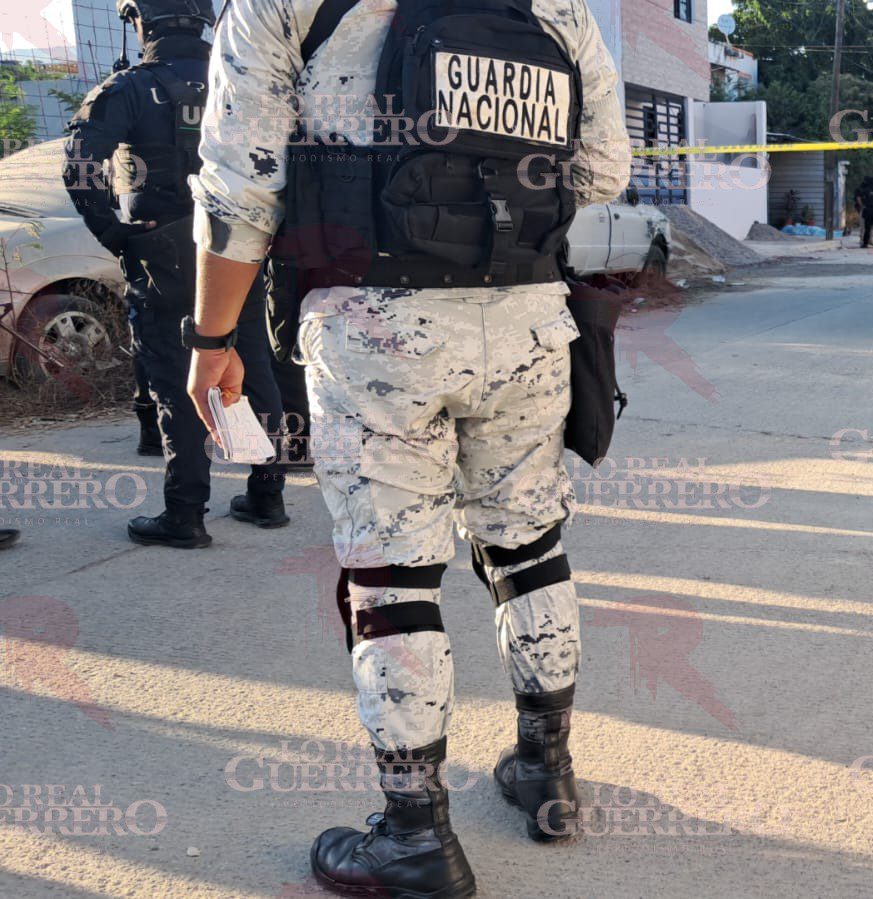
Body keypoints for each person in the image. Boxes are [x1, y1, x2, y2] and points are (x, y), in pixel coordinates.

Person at [186, 0, 631, 893]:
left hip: (374, 323)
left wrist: (210, 339)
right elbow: (604, 169)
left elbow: (243, 181)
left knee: (391, 576)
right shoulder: (552, 9)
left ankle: (414, 835)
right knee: (529, 547)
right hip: (531, 319)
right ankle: (547, 772)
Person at [62, 0, 289, 548]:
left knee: (173, 376)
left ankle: (184, 514)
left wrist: (116, 236)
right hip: (240, 247)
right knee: (254, 365)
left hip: (162, 252)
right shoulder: (243, 79)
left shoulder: (131, 87)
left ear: (139, 19)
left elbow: (79, 163)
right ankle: (267, 496)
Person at [854, 175, 873, 248]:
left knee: (867, 228)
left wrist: (862, 206)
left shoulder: (864, 190)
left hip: (868, 210)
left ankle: (865, 244)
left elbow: (858, 198)